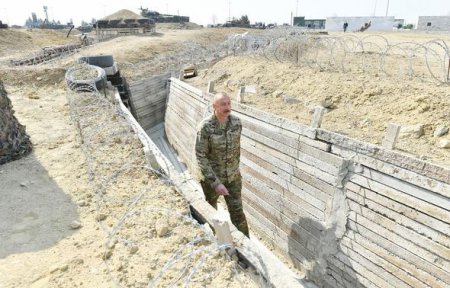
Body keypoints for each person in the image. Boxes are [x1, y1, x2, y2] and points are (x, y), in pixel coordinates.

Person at [195, 92, 249, 237]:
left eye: (229, 103)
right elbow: (201, 156)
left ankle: (246, 245)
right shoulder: (205, 127)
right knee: (211, 211)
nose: (227, 107)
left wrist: (234, 172)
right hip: (211, 180)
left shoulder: (237, 123)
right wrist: (215, 183)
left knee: (238, 213)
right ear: (214, 106)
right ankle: (215, 240)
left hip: (233, 178)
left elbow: (236, 150)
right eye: (223, 104)